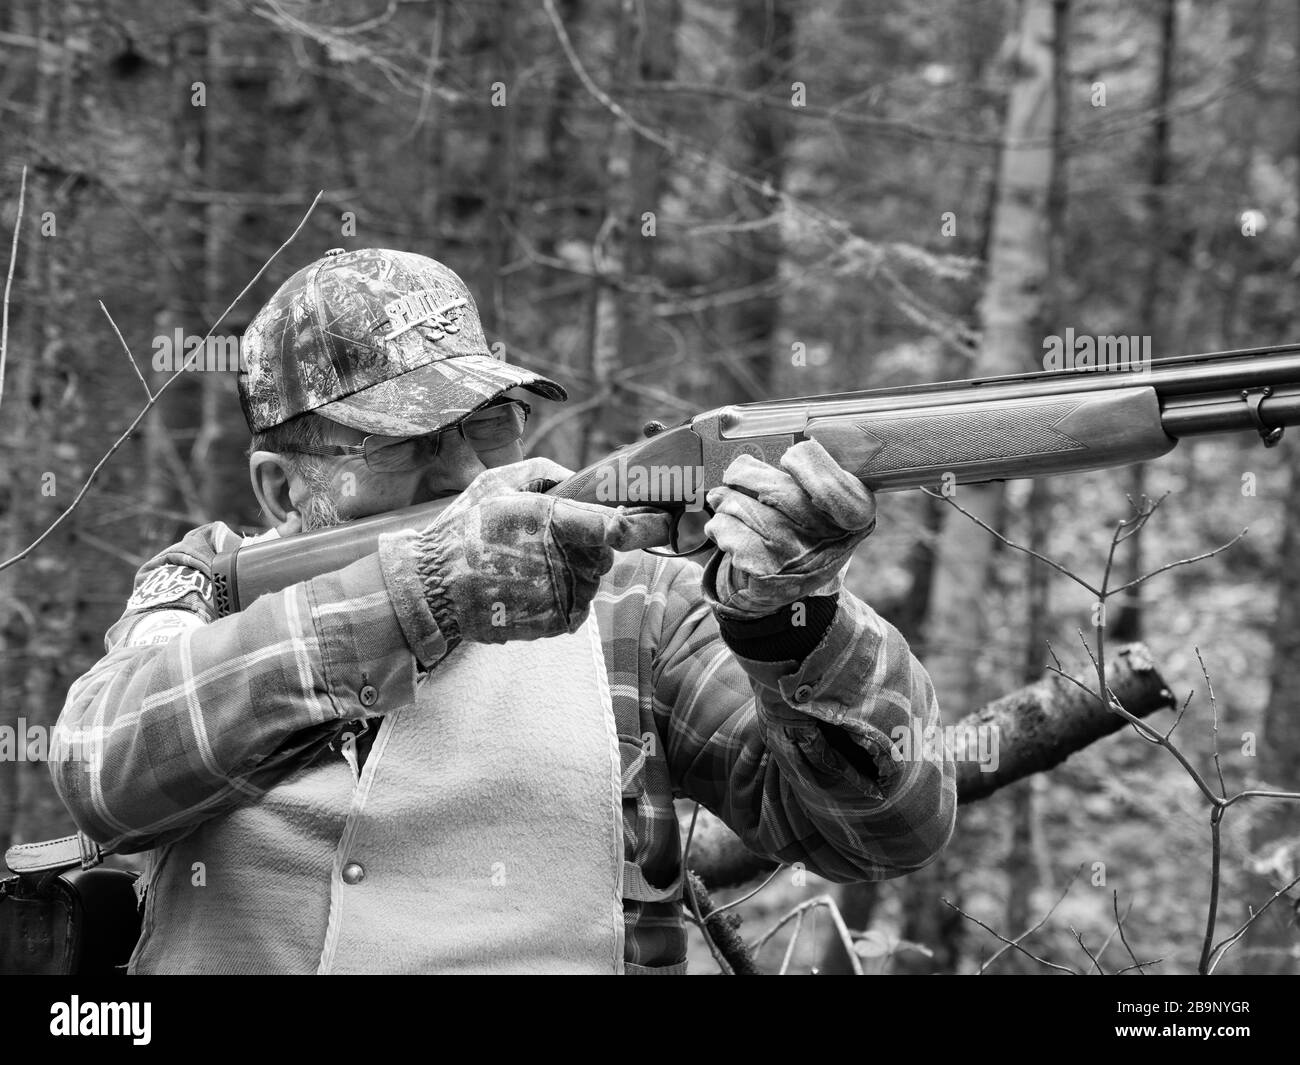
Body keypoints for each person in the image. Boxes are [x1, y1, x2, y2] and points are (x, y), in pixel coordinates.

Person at [49, 248, 956, 974]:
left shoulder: (637, 601)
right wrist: (425, 592)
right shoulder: (210, 586)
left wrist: (789, 620)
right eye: (413, 440)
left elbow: (886, 835)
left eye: (490, 422)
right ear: (284, 488)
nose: (465, 472)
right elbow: (102, 770)